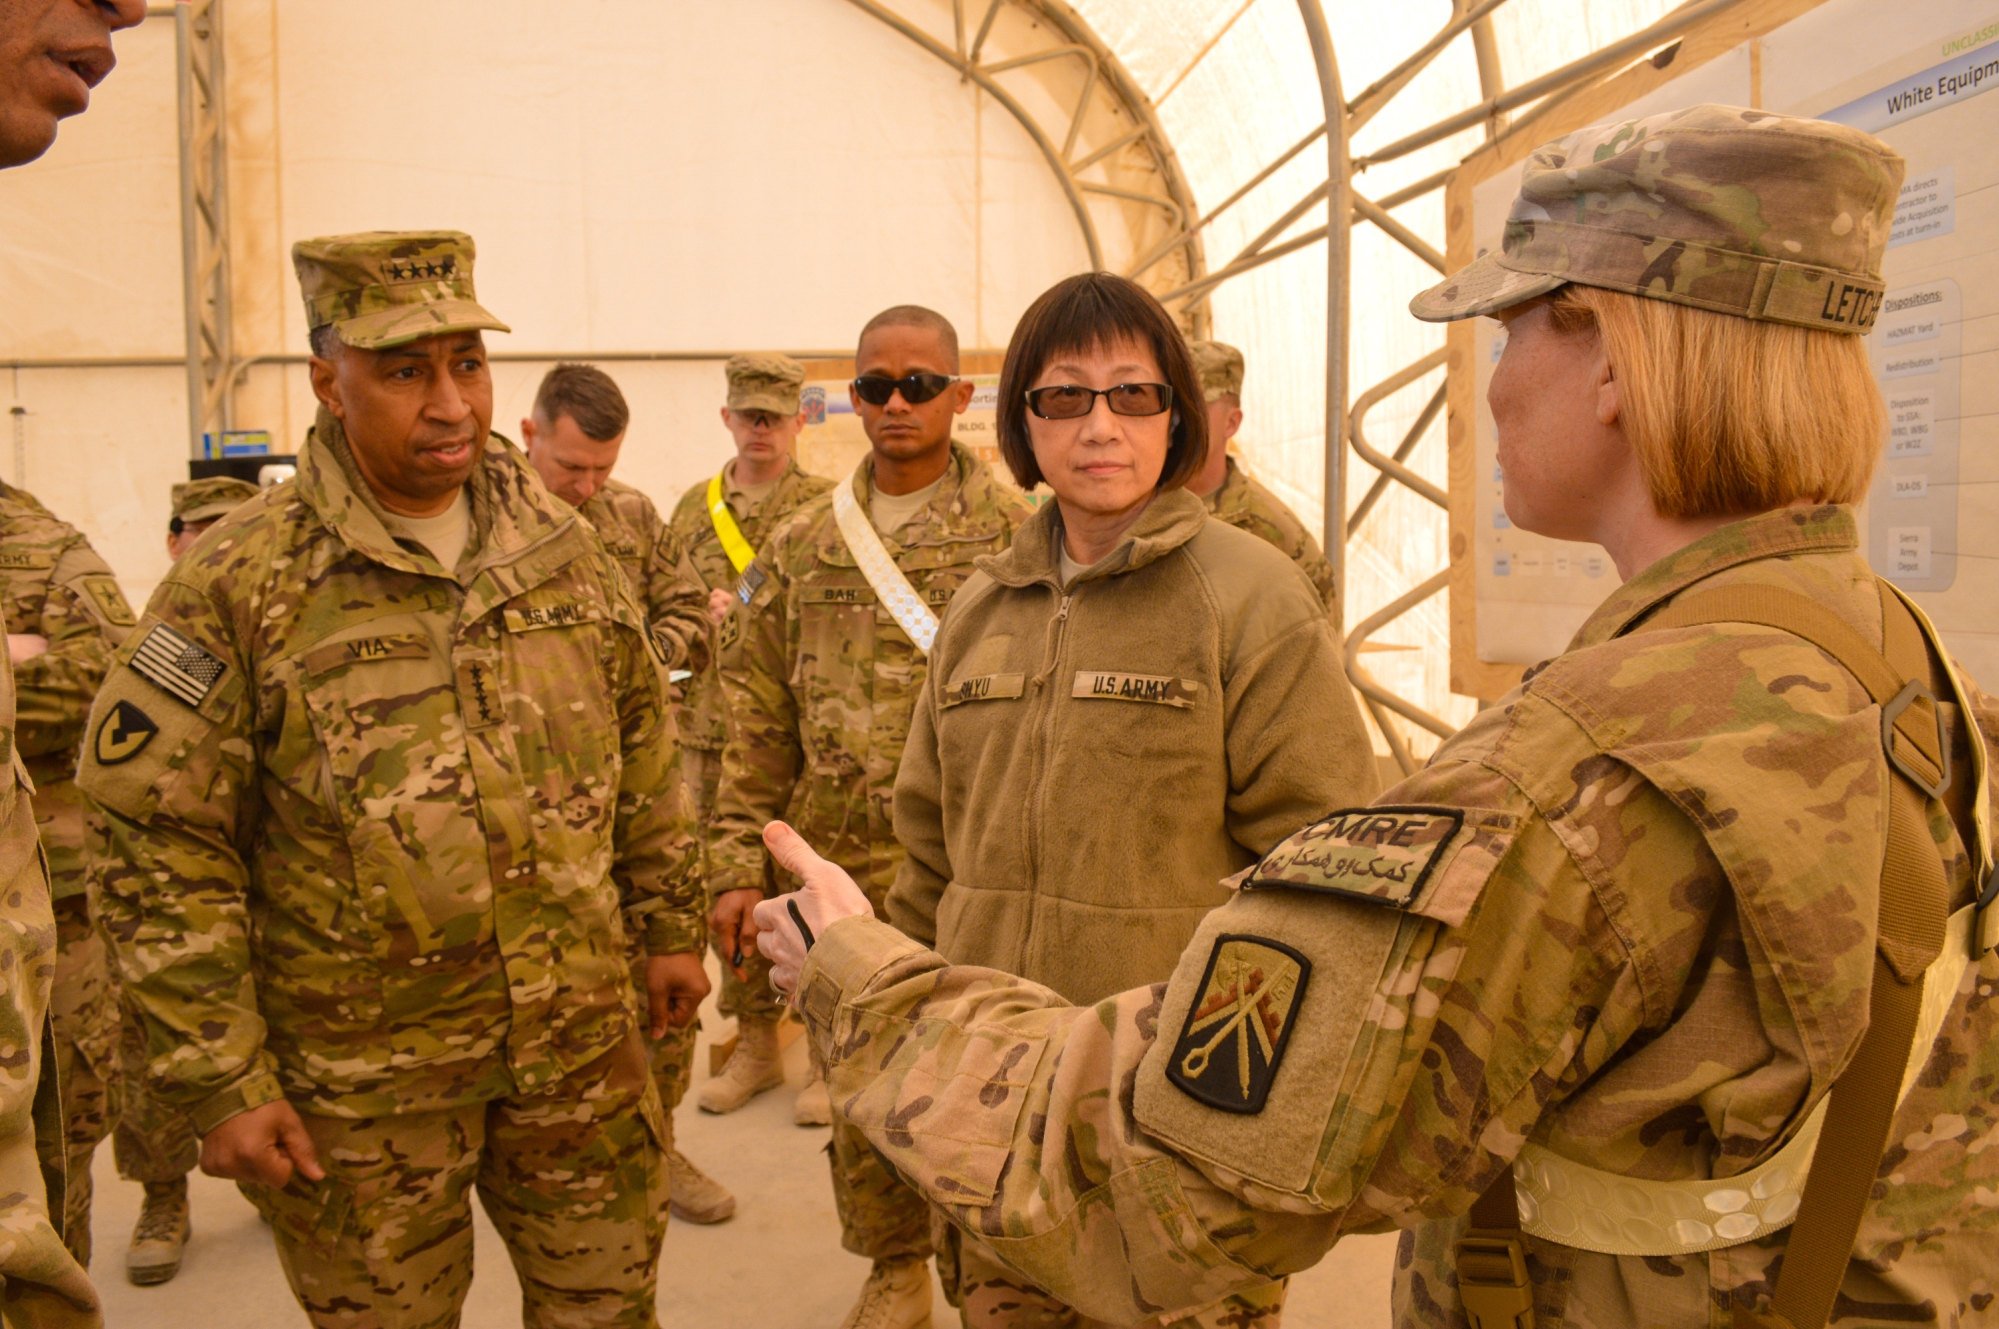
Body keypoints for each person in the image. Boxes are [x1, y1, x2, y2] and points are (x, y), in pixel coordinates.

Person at [753, 105, 1999, 1328]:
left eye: (1509, 335)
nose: (1496, 385)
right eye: (1062, 401)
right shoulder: (1893, 658)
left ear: (1614, 362)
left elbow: (1187, 1177)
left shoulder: (1570, 768)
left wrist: (857, 976)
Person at [78, 229, 711, 1328]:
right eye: (406, 370)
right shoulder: (240, 581)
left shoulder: (564, 549)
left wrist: (668, 926)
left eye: (467, 363)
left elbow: (644, 752)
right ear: (330, 380)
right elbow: (157, 842)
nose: (450, 404)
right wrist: (224, 1075)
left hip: (576, 1054)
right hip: (359, 1095)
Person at [882, 272, 1380, 1326]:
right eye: (1063, 397)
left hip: (1169, 1122)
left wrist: (1243, 1111)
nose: (1099, 426)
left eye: (1132, 395)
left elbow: (1323, 873)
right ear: (1022, 422)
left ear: (1175, 417)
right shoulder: (979, 609)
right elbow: (925, 855)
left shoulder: (1248, 597)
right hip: (989, 1107)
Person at [711, 307, 1033, 1328]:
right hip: (838, 866)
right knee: (861, 1080)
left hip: (985, 864)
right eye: (877, 386)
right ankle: (893, 1266)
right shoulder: (802, 542)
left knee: (992, 1068)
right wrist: (733, 860)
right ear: (851, 399)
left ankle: (995, 1262)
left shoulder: (1024, 537)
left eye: (920, 384)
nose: (897, 404)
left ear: (959, 398)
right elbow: (753, 712)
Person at [0, 3, 147, 1323]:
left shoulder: (47, 548)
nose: (136, 12)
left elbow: (116, 691)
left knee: (61, 1171)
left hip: (66, 916)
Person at [518, 360, 736, 1227]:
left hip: (639, 799)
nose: (587, 484)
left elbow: (692, 618)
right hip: (524, 817)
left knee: (663, 971)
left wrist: (654, 663)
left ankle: (659, 1139)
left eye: (602, 467)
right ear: (531, 434)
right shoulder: (482, 525)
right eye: (571, 466)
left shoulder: (633, 516)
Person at [107, 475, 265, 1287]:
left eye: (233, 527)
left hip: (265, 884)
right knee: (153, 1052)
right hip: (175, 886)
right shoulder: (158, 641)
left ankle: (272, 1176)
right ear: (174, 540)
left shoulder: (280, 622)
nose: (217, 542)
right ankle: (162, 1194)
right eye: (201, 530)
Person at [667, 353, 832, 1119]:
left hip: (798, 736)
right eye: (748, 415)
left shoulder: (833, 510)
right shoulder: (691, 512)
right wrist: (688, 618)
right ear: (727, 418)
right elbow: (655, 609)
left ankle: (831, 1053)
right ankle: (757, 1046)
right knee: (729, 893)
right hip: (709, 735)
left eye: (775, 415)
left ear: (800, 420)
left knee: (813, 892)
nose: (761, 430)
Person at [0, 479, 136, 1272]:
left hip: (41, 904)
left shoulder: (40, 547)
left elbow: (115, 674)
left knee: (47, 1166)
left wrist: (9, 685)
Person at [1184, 340, 1338, 615]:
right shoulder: (1129, 505)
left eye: (1194, 410)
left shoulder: (1275, 535)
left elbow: (1319, 644)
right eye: (1173, 407)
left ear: (1231, 423)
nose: (1180, 422)